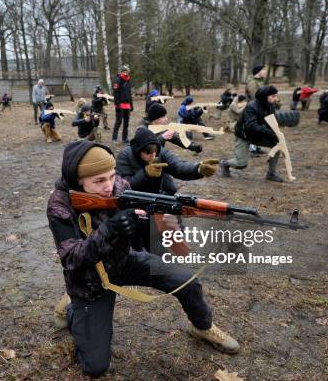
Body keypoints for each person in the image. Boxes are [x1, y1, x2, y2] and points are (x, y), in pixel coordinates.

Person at [47, 141, 239, 376]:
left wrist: (152, 224)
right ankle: (71, 308)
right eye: (99, 181)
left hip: (124, 260)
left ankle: (202, 326)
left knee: (187, 280)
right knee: (95, 366)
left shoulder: (121, 186)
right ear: (78, 180)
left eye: (111, 176)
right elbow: (70, 258)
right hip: (89, 280)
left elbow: (141, 235)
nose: (109, 186)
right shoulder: (60, 204)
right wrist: (108, 230)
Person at [116, 127, 217, 196]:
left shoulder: (161, 152)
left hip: (157, 196)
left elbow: (178, 167)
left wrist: (198, 168)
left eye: (155, 151)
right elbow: (123, 187)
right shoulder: (125, 155)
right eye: (148, 153)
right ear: (138, 150)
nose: (153, 156)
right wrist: (145, 174)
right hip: (133, 201)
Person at [220, 86, 284, 182]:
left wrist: (276, 133)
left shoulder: (270, 106)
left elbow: (270, 121)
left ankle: (271, 174)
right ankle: (225, 163)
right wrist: (268, 132)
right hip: (244, 135)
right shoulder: (251, 107)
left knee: (277, 145)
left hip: (257, 134)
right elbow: (251, 126)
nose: (276, 98)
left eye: (276, 96)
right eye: (273, 96)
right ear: (264, 96)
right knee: (241, 164)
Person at [244, 66, 268, 156]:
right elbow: (255, 96)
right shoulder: (252, 82)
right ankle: (251, 149)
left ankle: (256, 146)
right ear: (258, 72)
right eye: (263, 70)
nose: (265, 72)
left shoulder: (260, 81)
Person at [112, 64, 133, 143]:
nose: (125, 73)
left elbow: (129, 94)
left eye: (126, 71)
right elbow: (115, 93)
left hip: (127, 105)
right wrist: (117, 104)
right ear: (121, 72)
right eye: (124, 71)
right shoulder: (118, 80)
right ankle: (114, 138)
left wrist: (131, 104)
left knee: (126, 122)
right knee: (118, 121)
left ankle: (125, 138)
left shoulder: (128, 80)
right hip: (120, 105)